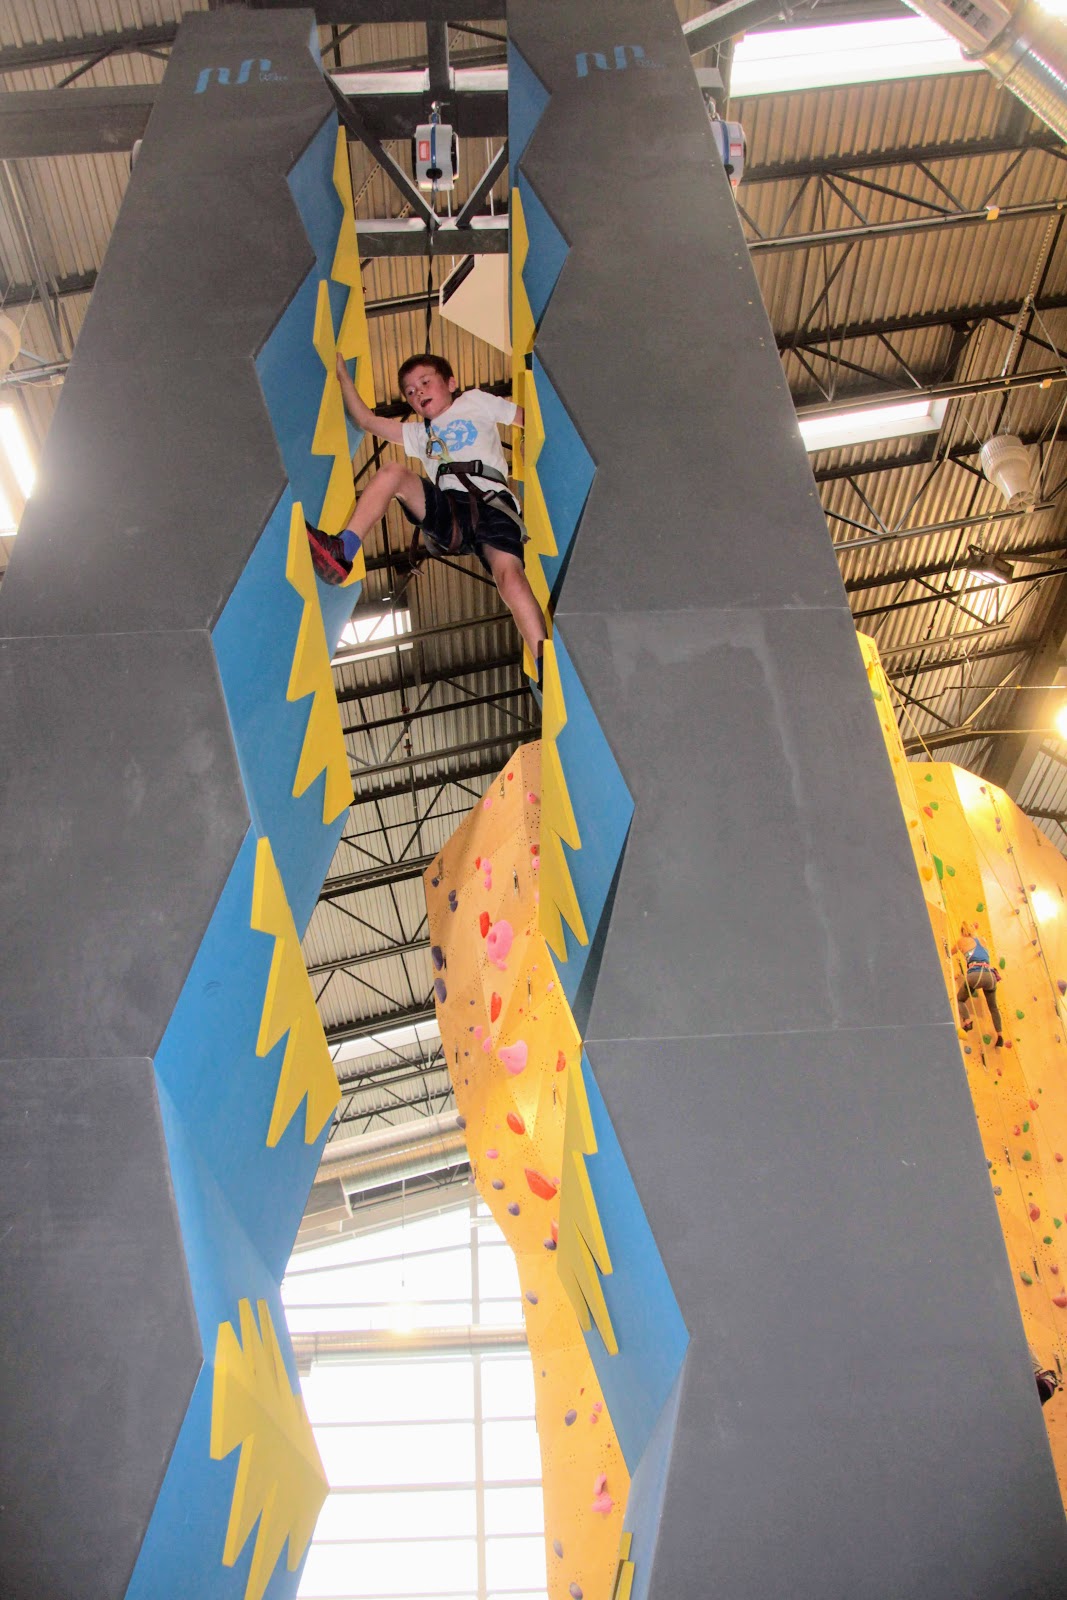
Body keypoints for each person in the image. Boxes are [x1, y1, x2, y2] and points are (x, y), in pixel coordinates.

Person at [306, 352, 547, 674]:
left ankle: (544, 661)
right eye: (409, 391)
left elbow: (528, 418)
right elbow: (366, 420)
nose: (417, 392)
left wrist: (529, 444)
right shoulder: (418, 435)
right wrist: (342, 378)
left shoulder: (476, 401)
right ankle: (344, 549)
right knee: (392, 472)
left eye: (424, 382)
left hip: (493, 506)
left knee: (510, 577)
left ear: (451, 383)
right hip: (448, 511)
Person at [954, 921, 1004, 1046]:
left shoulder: (962, 941)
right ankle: (1000, 1036)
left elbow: (951, 952)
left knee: (960, 999)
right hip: (989, 976)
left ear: (962, 931)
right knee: (993, 1007)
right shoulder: (982, 940)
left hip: (975, 976)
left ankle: (967, 1021)